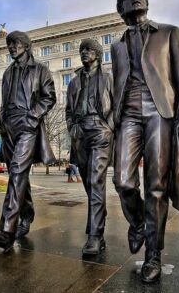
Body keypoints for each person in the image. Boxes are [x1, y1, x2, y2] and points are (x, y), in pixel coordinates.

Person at [111, 0, 179, 283]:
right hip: (128, 115)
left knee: (156, 186)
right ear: (121, 10)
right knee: (122, 181)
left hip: (160, 112)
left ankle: (153, 254)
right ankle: (139, 222)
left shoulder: (169, 33)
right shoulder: (116, 46)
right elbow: (116, 85)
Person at [0, 31, 56, 251]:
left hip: (28, 125)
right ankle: (27, 213)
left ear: (26, 45)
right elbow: (4, 99)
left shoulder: (40, 70)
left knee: (17, 171)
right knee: (18, 175)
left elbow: (49, 97)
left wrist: (32, 116)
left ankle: (7, 230)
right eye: (9, 44)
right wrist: (0, 121)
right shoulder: (8, 72)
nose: (11, 47)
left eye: (15, 44)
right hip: (8, 126)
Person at [66, 39, 114, 255]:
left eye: (89, 50)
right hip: (80, 132)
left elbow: (117, 105)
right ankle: (99, 217)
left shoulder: (109, 78)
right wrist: (71, 127)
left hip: (100, 130)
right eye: (82, 50)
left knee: (96, 180)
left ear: (98, 53)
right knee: (88, 181)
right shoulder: (74, 82)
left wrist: (109, 127)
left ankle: (95, 236)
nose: (84, 53)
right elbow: (68, 110)